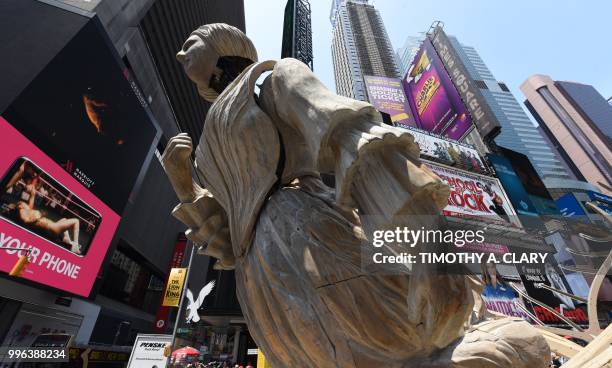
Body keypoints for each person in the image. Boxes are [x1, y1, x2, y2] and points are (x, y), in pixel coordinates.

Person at [11, 186, 82, 254]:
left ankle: (66, 239)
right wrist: (38, 216)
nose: (26, 204)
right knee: (76, 221)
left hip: (51, 226)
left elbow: (31, 200)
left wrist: (33, 193)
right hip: (52, 227)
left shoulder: (28, 211)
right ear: (20, 206)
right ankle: (75, 246)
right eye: (24, 203)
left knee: (64, 219)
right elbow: (26, 221)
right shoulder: (22, 212)